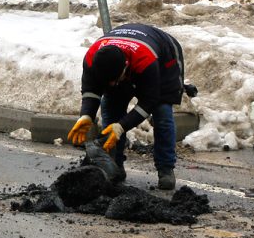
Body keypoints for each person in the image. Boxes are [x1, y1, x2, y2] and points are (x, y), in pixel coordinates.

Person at [67, 23, 193, 190]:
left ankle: (165, 169)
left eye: (114, 79)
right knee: (111, 109)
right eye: (108, 81)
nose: (111, 84)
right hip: (132, 60)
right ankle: (115, 166)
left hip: (164, 59)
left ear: (126, 66)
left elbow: (149, 101)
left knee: (162, 113)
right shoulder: (92, 59)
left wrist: (121, 127)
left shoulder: (145, 61)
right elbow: (91, 90)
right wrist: (86, 115)